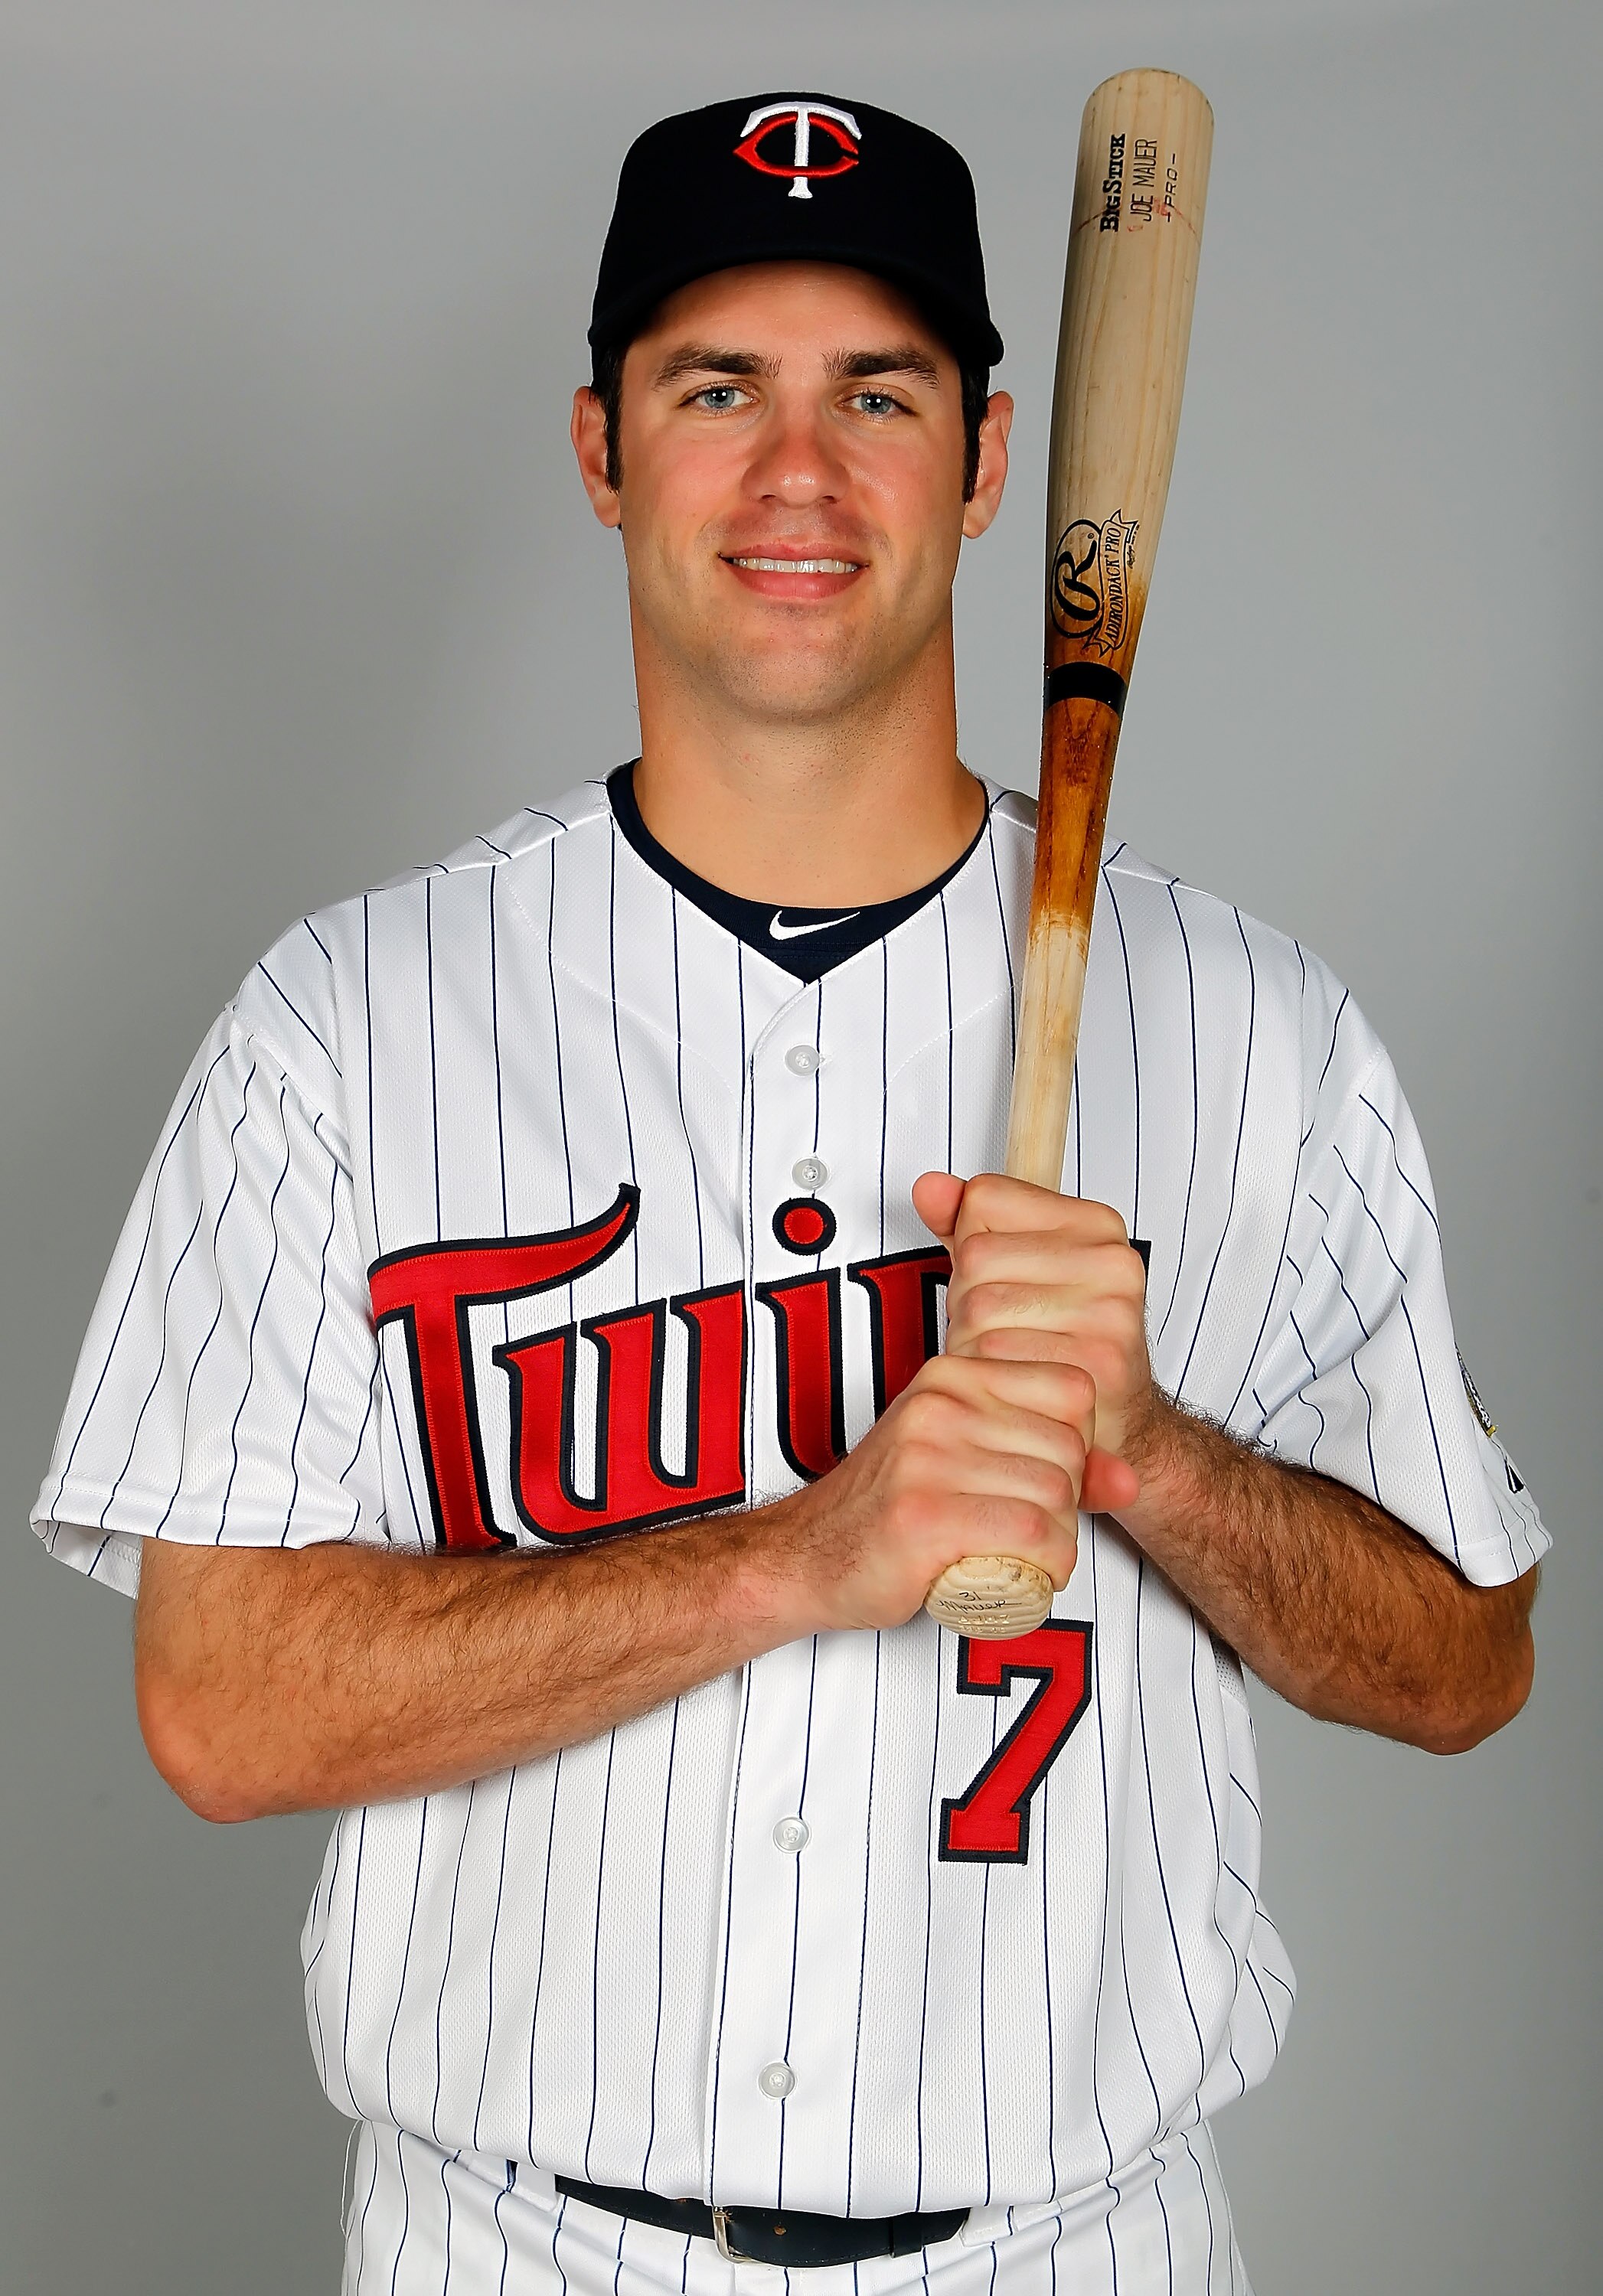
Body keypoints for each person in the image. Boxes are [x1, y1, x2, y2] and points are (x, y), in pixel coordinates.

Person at [34, 92, 1545, 2296]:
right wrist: (797, 1559)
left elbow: (1467, 1663)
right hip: (516, 2251)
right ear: (600, 447)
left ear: (994, 460)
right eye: (719, 387)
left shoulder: (1255, 1031)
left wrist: (1160, 1459)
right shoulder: (345, 1028)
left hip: (1074, 2250)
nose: (801, 474)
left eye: (880, 392)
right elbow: (224, 1703)